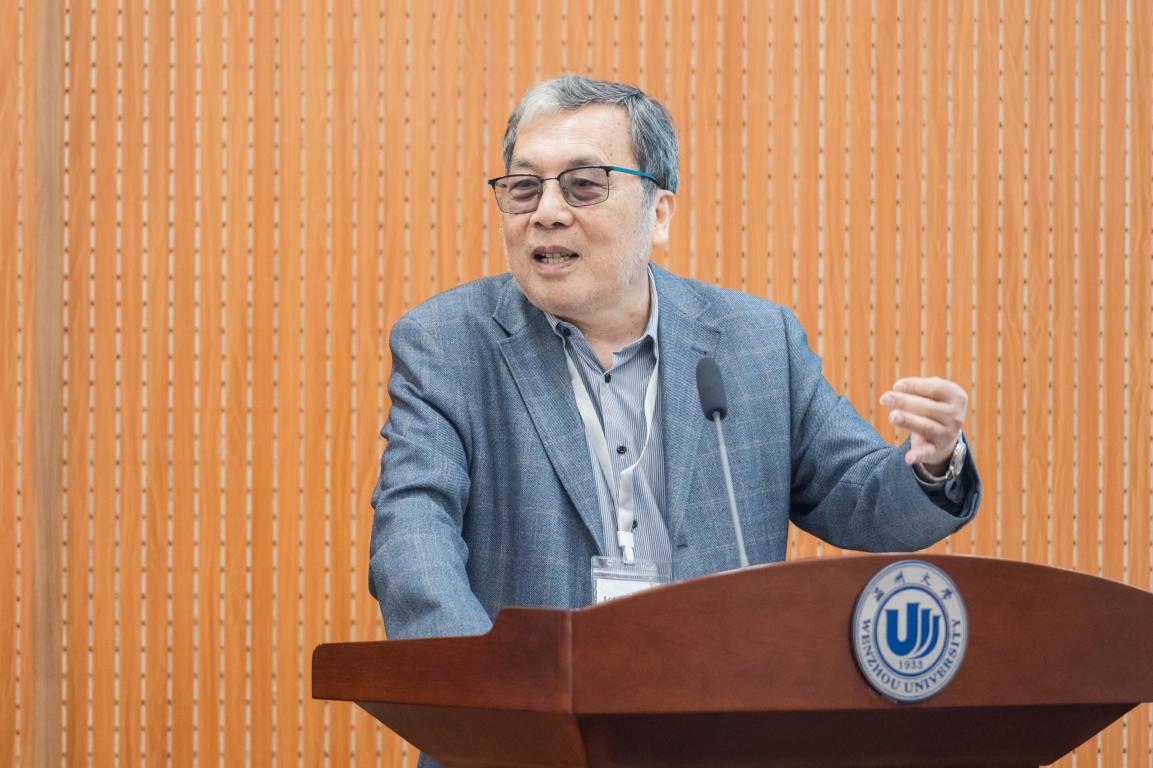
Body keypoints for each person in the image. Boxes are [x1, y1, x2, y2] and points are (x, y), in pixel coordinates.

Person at [369, 74, 979, 645]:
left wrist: (932, 462)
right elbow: (413, 537)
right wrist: (480, 678)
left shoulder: (757, 342)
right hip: (527, 709)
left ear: (658, 213)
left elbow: (860, 502)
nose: (547, 212)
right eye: (525, 187)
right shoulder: (447, 344)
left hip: (711, 703)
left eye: (584, 185)